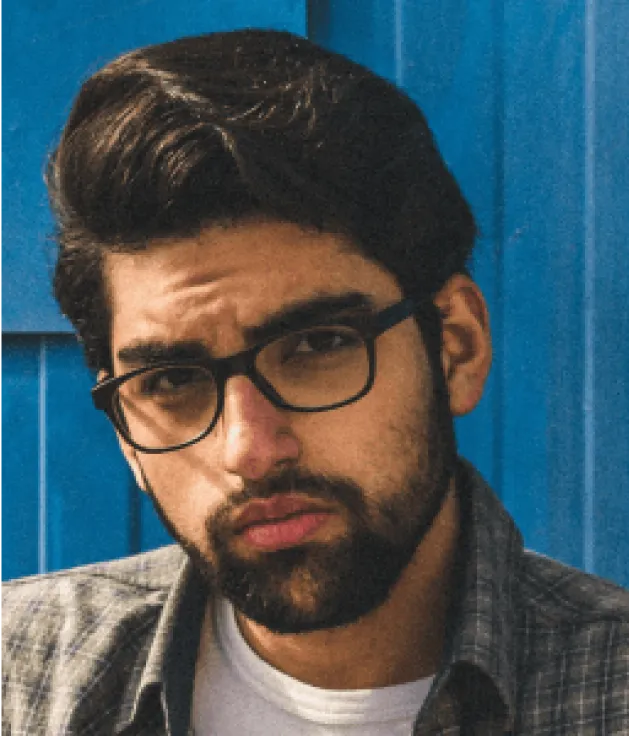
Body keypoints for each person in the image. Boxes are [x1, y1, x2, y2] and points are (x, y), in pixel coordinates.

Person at [1, 28, 629, 736]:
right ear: (125, 434)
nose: (249, 448)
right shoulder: (20, 677)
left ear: (455, 348)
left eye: (316, 345)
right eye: (171, 381)